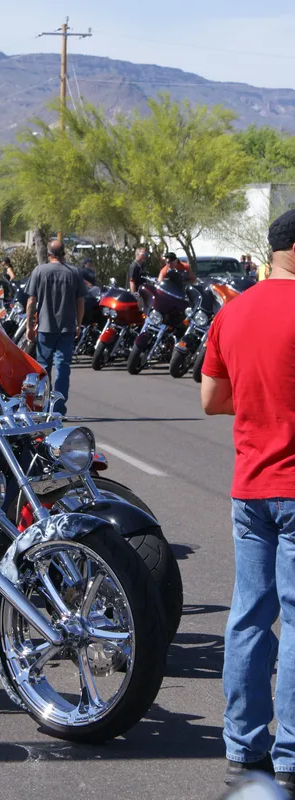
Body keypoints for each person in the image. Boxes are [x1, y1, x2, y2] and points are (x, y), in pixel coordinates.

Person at [201, 208, 295, 798]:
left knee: (249, 616)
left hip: (251, 486)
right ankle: (290, 756)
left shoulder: (233, 312)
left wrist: (262, 405)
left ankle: (244, 750)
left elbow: (212, 399)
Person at [25, 240, 86, 415]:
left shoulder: (39, 271)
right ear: (63, 253)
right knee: (63, 367)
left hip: (45, 327)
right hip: (67, 328)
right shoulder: (74, 272)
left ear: (48, 254)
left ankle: (42, 407)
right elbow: (80, 300)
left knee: (43, 368)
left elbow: (31, 301)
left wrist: (30, 326)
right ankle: (58, 407)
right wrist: (79, 323)